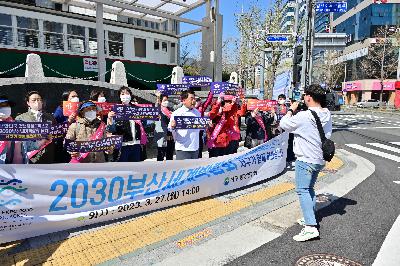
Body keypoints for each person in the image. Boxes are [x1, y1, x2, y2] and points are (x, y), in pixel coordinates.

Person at [279, 84, 332, 242]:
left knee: (302, 190)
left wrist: (290, 110)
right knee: (309, 188)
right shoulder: (326, 113)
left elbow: (284, 124)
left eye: (304, 95)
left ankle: (310, 227)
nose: (303, 98)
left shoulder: (304, 116)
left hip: (306, 159)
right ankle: (310, 216)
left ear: (309, 97)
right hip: (319, 158)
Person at [107, 87, 147, 162]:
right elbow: (111, 129)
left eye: (127, 93)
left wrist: (145, 117)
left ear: (131, 96)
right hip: (123, 145)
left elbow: (144, 125)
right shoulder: (116, 109)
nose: (125, 95)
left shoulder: (136, 108)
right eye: (123, 94)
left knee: (135, 169)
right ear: (119, 96)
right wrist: (109, 118)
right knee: (123, 169)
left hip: (136, 144)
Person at [0, 95, 43, 164]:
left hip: (21, 170)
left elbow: (28, 146)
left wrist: (43, 141)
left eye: (7, 105)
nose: (5, 108)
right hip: (4, 172)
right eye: (1, 106)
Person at [15, 91, 56, 164]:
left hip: (48, 156)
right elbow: (20, 141)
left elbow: (56, 133)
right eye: (34, 100)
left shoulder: (50, 117)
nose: (37, 102)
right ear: (28, 103)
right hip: (31, 157)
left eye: (39, 99)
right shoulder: (21, 118)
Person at [168, 90, 201, 160]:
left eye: (194, 98)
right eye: (191, 98)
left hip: (195, 148)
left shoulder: (197, 113)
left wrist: (206, 125)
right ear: (184, 100)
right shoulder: (177, 113)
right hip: (182, 149)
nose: (194, 101)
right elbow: (170, 128)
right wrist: (172, 126)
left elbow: (200, 128)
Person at [154, 93, 174, 161]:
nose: (166, 102)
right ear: (160, 101)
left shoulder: (169, 110)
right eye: (164, 100)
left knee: (169, 154)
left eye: (167, 100)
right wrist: (158, 97)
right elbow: (156, 106)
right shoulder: (158, 110)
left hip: (169, 136)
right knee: (160, 155)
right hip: (161, 136)